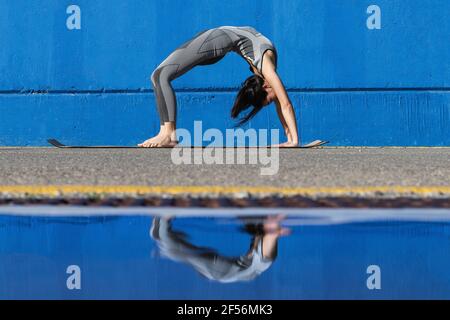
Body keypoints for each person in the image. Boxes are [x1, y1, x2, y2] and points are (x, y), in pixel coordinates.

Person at [139, 26, 299, 148]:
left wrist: (290, 138)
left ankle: (166, 132)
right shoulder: (268, 70)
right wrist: (295, 140)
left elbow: (281, 104)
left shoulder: (267, 73)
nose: (275, 98)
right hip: (216, 39)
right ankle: (168, 133)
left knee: (159, 76)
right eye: (269, 100)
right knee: (160, 76)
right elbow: (286, 104)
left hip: (219, 39)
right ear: (265, 86)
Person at [150, 215, 290, 283]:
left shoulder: (265, 255)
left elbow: (271, 232)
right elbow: (270, 230)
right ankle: (161, 233)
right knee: (190, 254)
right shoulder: (262, 255)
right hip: (227, 273)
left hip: (223, 273)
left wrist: (274, 227)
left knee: (180, 253)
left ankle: (161, 226)